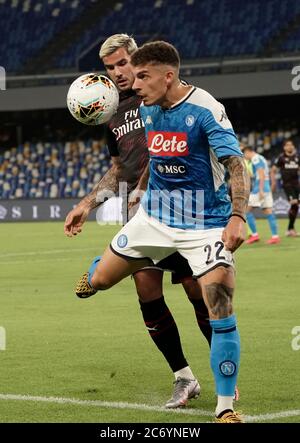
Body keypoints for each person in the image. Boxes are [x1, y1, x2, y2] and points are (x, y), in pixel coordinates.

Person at [75, 41, 249, 422]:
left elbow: (236, 165)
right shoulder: (148, 109)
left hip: (205, 224)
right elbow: (155, 157)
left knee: (215, 300)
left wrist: (237, 216)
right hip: (153, 218)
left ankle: (225, 407)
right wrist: (131, 193)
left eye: (139, 76)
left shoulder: (206, 110)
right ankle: (100, 267)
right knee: (101, 281)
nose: (132, 85)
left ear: (167, 76)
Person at [242, 146, 280, 244]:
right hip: (265, 187)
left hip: (259, 188)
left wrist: (261, 189)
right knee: (268, 211)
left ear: (248, 152)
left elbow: (261, 174)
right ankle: (275, 236)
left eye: (244, 153)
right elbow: (260, 173)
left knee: (246, 211)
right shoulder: (261, 157)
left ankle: (254, 235)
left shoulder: (255, 158)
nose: (244, 156)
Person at [271, 139, 300, 237]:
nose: (290, 146)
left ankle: (290, 229)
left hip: (297, 185)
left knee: (295, 206)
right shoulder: (281, 158)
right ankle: (290, 229)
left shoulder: (297, 157)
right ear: (284, 147)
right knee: (294, 202)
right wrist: (274, 182)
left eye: (291, 145)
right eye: (287, 145)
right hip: (287, 185)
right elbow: (273, 170)